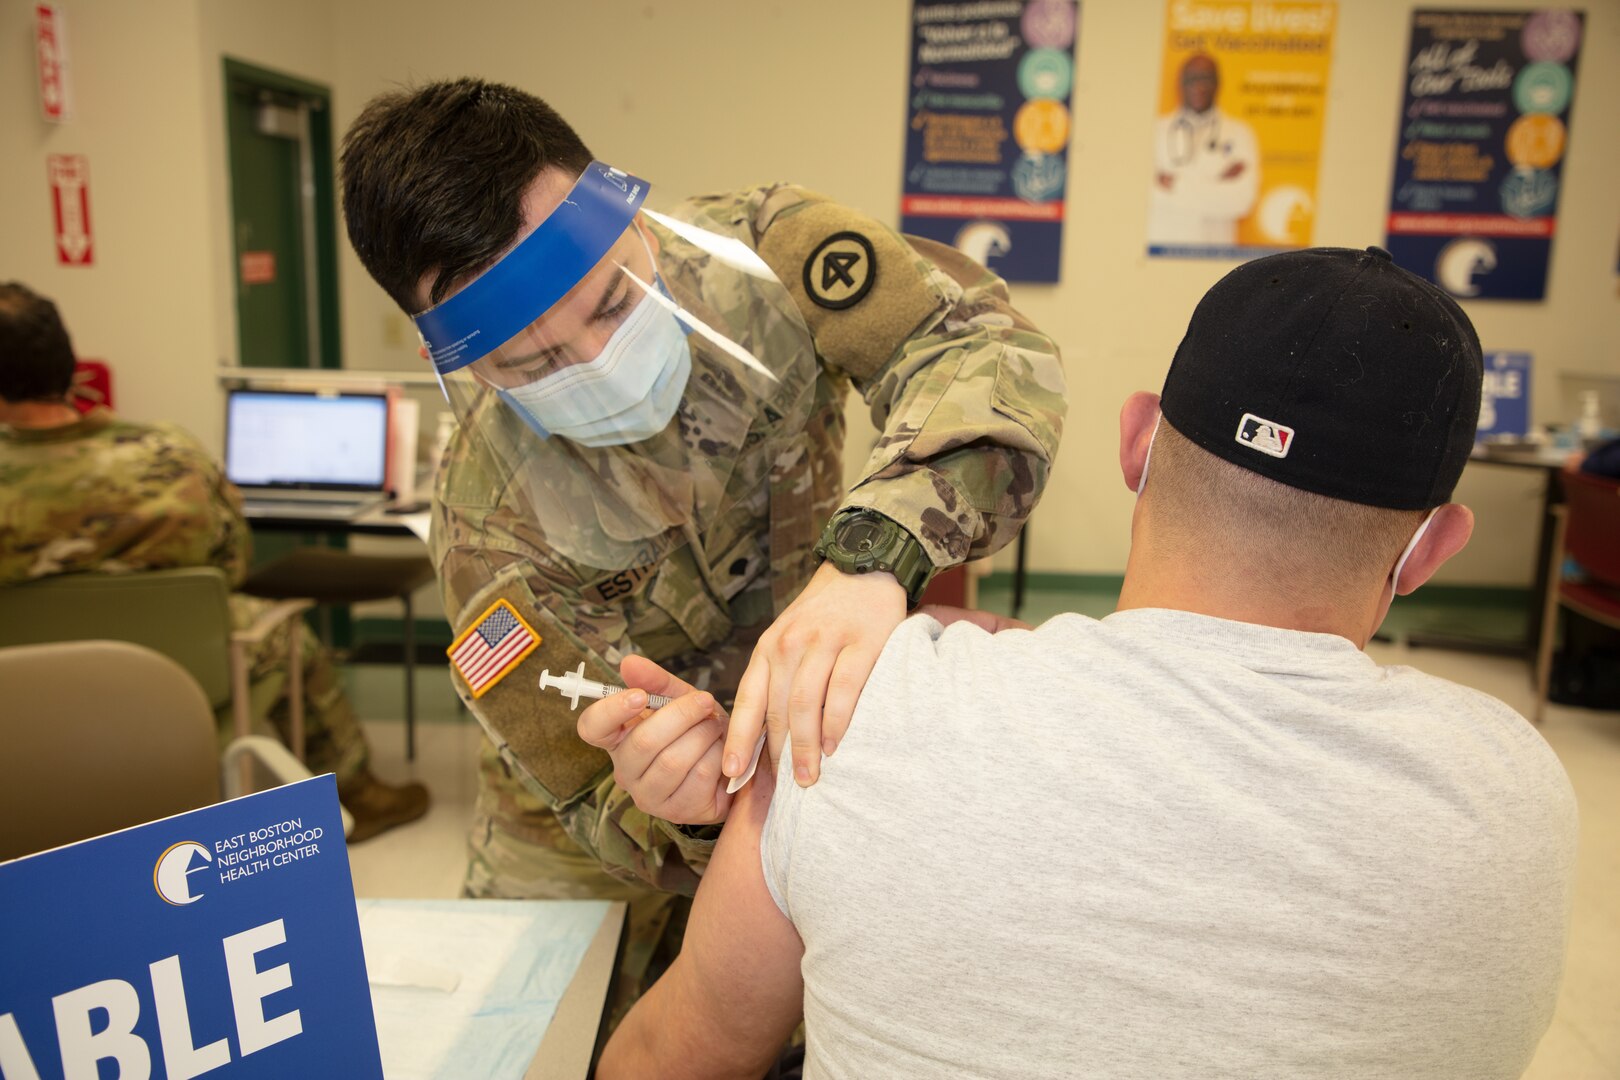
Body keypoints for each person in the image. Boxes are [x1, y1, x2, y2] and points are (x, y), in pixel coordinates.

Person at [601, 246, 1578, 1079]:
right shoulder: (1514, 792)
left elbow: (667, 1062)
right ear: (1434, 546)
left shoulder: (864, 713)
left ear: (1138, 441)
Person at [339, 78, 1065, 1006]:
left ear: (627, 216)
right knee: (563, 1041)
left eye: (610, 303)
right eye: (531, 361)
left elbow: (983, 353)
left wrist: (874, 556)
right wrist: (668, 807)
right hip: (584, 854)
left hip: (800, 746)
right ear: (460, 359)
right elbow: (583, 787)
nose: (595, 363)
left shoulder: (767, 260)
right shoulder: (489, 525)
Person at [0, 282, 429, 843]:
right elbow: (233, 563)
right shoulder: (168, 456)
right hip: (186, 675)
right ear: (68, 362)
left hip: (25, 694)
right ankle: (356, 792)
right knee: (287, 633)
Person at [1149, 52, 1260, 249]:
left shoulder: (1240, 133)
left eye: (1205, 78)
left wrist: (1174, 183)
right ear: (1180, 83)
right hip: (1162, 251)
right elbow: (1151, 195)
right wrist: (1216, 183)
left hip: (1215, 254)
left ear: (1218, 83)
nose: (1198, 86)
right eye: (1192, 78)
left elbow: (1242, 201)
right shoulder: (1156, 131)